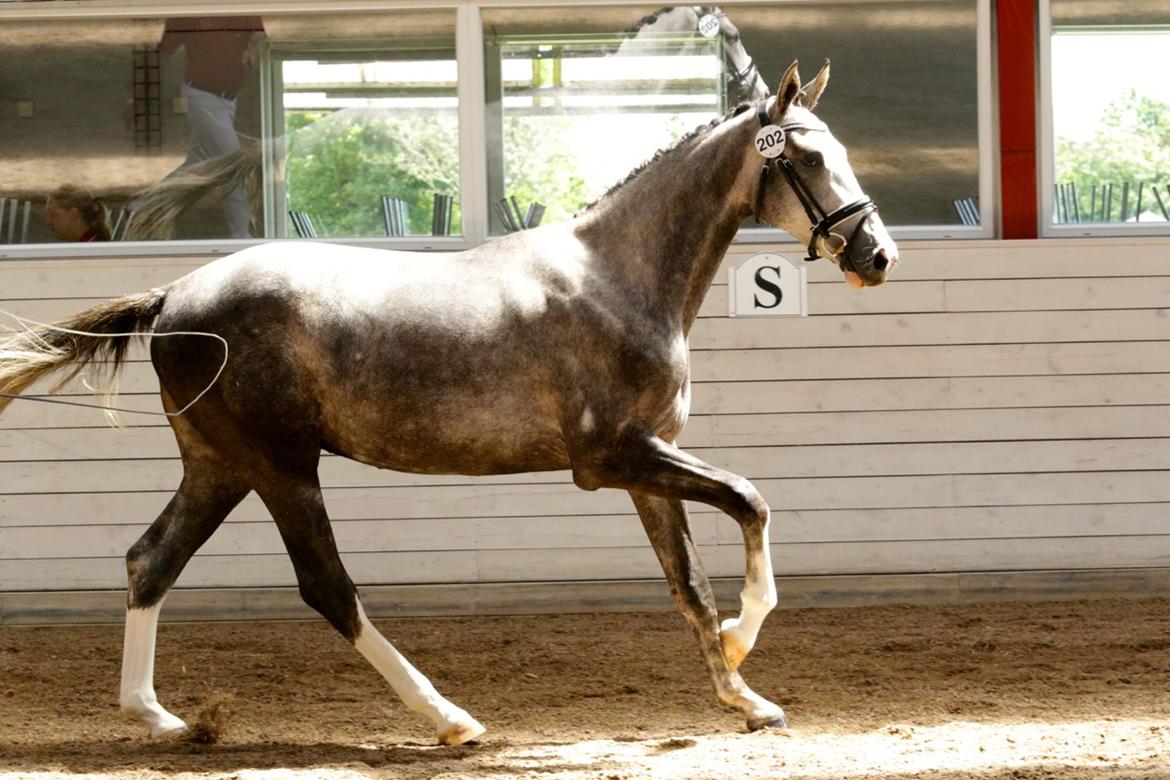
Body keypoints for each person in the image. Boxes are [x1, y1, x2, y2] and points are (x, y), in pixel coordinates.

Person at [133, 16, 265, 238]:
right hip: (202, 96)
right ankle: (240, 235)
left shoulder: (240, 7)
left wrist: (254, 47)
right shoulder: (187, 12)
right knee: (236, 165)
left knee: (197, 163)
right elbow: (162, 54)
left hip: (229, 100)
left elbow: (260, 34)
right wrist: (137, 99)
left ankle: (141, 205)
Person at [45, 185, 112, 242]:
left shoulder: (95, 251)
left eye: (53, 214)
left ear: (73, 214)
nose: (48, 221)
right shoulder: (88, 246)